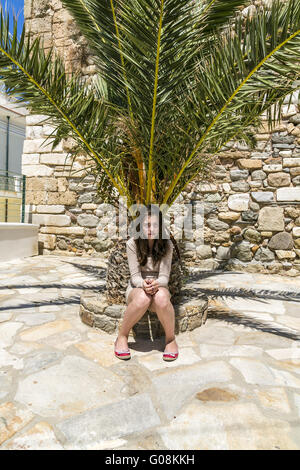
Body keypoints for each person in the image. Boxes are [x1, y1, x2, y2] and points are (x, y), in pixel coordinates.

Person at [114, 205, 179, 362]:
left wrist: (156, 283)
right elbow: (135, 276)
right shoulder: (132, 243)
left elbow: (164, 277)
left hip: (160, 286)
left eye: (155, 225)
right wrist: (143, 284)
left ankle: (170, 340)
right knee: (143, 298)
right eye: (147, 225)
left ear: (160, 226)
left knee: (161, 298)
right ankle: (122, 337)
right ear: (141, 226)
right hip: (137, 287)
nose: (151, 229)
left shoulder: (167, 244)